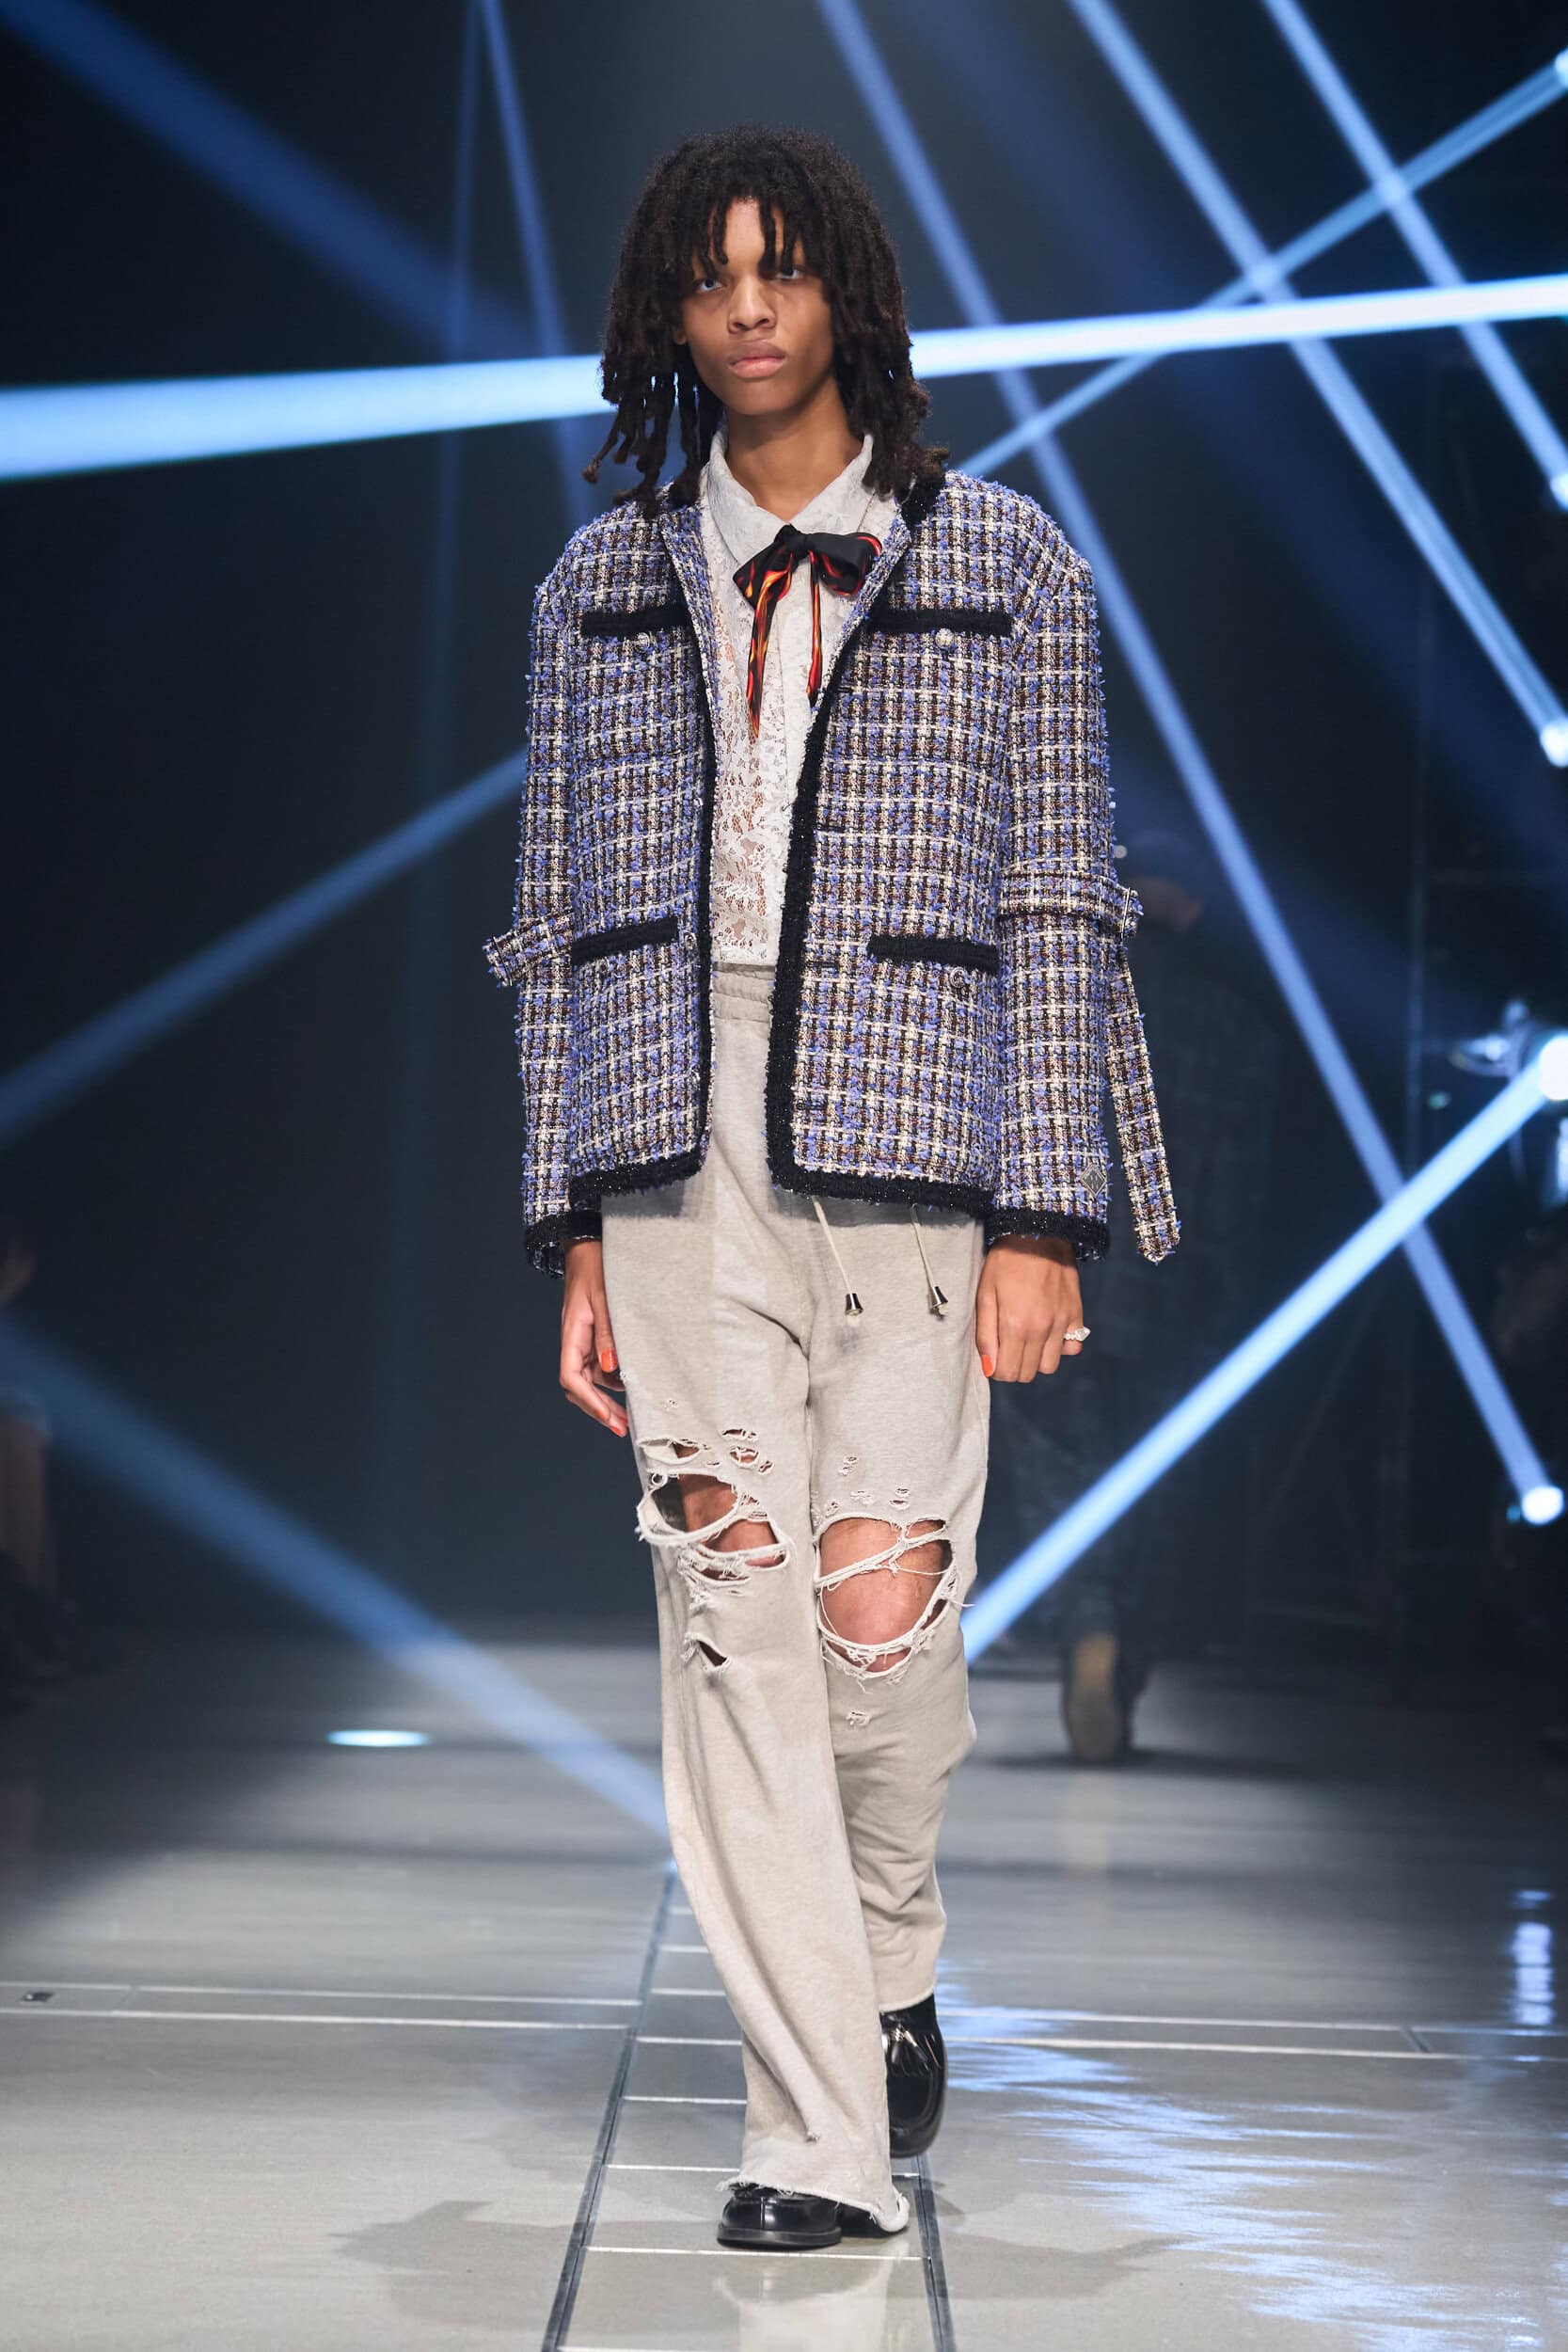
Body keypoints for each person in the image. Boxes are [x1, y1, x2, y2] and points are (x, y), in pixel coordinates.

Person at [483, 126, 1180, 2250]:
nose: (750, 310)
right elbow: (556, 918)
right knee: (732, 1606)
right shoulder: (598, 587)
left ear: (848, 294)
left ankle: (886, 1948)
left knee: (878, 1612)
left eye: (782, 270)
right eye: (711, 280)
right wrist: (571, 1220)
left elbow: (1059, 901)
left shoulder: (1008, 566)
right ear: (667, 317)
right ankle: (813, 2134)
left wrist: (1043, 1214)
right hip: (673, 1136)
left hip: (918, 1130)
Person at [986, 826, 1280, 1761]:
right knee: (1157, 1484)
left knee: (1053, 1469)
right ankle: (1124, 1664)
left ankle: (1089, 1620)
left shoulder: (1049, 1013)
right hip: (1175, 1293)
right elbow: (1239, 1188)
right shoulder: (1235, 1030)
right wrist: (1220, 1292)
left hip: (1051, 1277)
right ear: (1191, 904)